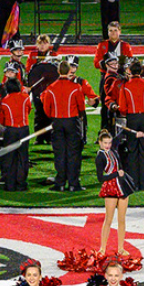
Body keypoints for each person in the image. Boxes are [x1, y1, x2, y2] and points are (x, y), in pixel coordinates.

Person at [42, 61, 85, 192]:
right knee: (73, 153)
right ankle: (73, 184)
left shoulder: (51, 87)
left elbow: (46, 108)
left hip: (57, 122)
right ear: (68, 71)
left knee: (60, 153)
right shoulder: (76, 87)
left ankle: (60, 183)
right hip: (72, 122)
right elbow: (81, 107)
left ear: (58, 71)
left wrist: (54, 117)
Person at [94, 129, 136, 254]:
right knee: (109, 219)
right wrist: (116, 174)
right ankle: (102, 248)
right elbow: (100, 178)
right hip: (111, 187)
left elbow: (121, 134)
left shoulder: (113, 151)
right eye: (105, 143)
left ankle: (121, 248)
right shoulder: (100, 156)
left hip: (122, 186)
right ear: (100, 143)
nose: (108, 145)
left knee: (122, 219)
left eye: (109, 143)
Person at [117, 59, 144, 191]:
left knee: (132, 151)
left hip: (132, 119)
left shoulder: (126, 86)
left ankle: (134, 183)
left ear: (129, 71)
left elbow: (122, 108)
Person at [0, 67, 32, 191]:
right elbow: (28, 110)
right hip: (23, 130)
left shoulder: (4, 101)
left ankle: (10, 184)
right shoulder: (25, 98)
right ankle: (21, 184)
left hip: (10, 131)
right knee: (23, 157)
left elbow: (1, 119)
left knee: (10, 157)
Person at [93, 21, 133, 127]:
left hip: (122, 79)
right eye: (111, 31)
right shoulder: (102, 45)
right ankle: (105, 130)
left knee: (123, 105)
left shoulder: (125, 46)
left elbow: (130, 63)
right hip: (107, 79)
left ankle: (123, 132)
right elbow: (96, 63)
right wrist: (108, 65)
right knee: (105, 106)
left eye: (115, 30)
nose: (113, 33)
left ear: (119, 32)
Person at [26, 34, 57, 143]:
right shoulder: (32, 55)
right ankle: (39, 137)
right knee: (38, 112)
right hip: (37, 88)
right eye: (40, 43)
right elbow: (28, 70)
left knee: (49, 112)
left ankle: (49, 137)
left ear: (49, 44)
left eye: (45, 43)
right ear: (37, 45)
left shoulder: (54, 54)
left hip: (49, 89)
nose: (43, 46)